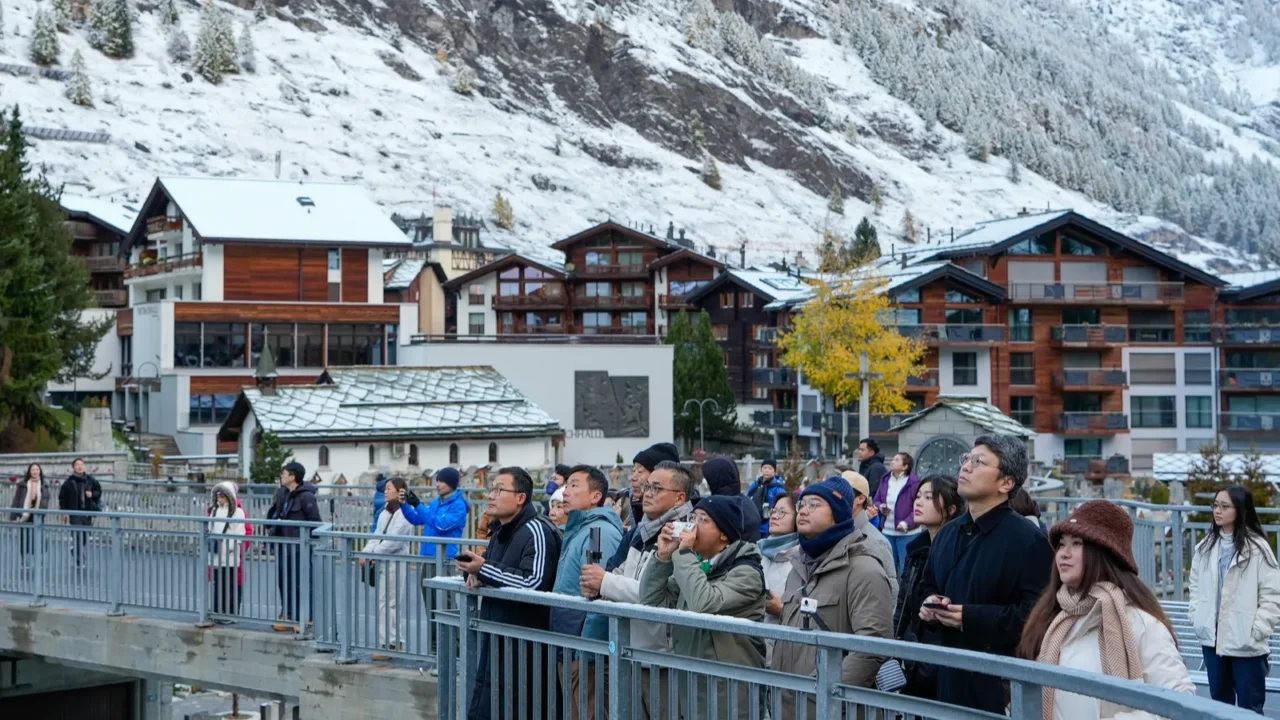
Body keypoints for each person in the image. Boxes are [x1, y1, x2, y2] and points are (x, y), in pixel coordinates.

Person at [1019, 500, 1194, 719]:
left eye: (1077, 544)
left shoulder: (1141, 623)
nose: (1064, 553)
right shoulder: (1051, 617)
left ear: (1104, 554)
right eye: (1062, 544)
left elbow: (1180, 702)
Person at [917, 434, 1053, 713]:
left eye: (978, 462)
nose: (965, 467)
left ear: (1007, 482)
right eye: (966, 459)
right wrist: (929, 606)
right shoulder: (948, 533)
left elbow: (1037, 616)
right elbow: (926, 585)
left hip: (999, 688)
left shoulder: (1029, 541)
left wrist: (971, 617)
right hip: (946, 680)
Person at [770, 476, 896, 716]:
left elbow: (872, 646)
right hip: (786, 704)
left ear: (838, 512)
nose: (804, 511)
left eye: (815, 504)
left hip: (830, 708)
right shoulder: (797, 566)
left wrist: (822, 694)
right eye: (802, 504)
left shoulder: (863, 568)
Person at [640, 494, 767, 716]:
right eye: (692, 517)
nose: (692, 526)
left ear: (724, 534)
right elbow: (652, 599)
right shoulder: (697, 566)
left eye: (702, 520)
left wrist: (684, 553)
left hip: (728, 692)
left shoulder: (746, 573)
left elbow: (704, 603)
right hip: (692, 684)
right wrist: (662, 557)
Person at [456, 466, 562, 720]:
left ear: (520, 498)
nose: (491, 496)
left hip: (525, 647)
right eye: (491, 489)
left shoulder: (536, 531)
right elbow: (496, 572)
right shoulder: (501, 531)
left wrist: (485, 570)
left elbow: (533, 582)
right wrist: (475, 573)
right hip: (499, 639)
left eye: (499, 489)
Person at [1189, 485, 1280, 713]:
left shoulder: (1258, 549)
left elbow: (1272, 595)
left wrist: (1256, 630)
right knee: (1220, 705)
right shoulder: (1205, 548)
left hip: (1246, 643)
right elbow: (1195, 587)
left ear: (1239, 510)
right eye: (1215, 505)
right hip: (1212, 639)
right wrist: (1197, 618)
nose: (1217, 511)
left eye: (1224, 506)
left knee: (1249, 708)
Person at [894, 474, 964, 699]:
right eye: (918, 496)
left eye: (929, 497)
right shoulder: (916, 550)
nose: (918, 502)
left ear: (952, 508)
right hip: (912, 654)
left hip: (941, 662)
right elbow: (903, 606)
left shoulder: (960, 550)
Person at [605, 443, 681, 572]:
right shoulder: (638, 522)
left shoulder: (678, 531)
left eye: (640, 471)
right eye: (633, 471)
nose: (633, 477)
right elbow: (615, 568)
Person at [362, 477, 414, 661]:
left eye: (389, 488)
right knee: (385, 602)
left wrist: (373, 553)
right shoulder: (385, 512)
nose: (385, 491)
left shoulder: (406, 513)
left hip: (395, 562)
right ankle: (392, 641)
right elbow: (377, 535)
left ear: (400, 491)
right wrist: (366, 552)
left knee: (389, 603)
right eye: (385, 488)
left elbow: (394, 541)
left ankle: (390, 643)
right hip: (384, 560)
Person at [267, 461, 321, 632]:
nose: (281, 477)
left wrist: (308, 542)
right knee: (285, 581)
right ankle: (288, 615)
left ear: (292, 477)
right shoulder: (283, 494)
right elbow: (275, 513)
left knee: (302, 582)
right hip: (284, 545)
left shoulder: (306, 496)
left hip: (300, 547)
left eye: (284, 474)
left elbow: (315, 522)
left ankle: (306, 617)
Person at [758, 491, 799, 666]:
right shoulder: (758, 550)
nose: (774, 516)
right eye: (773, 511)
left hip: (784, 654)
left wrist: (781, 610)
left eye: (782, 512)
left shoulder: (802, 559)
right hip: (755, 648)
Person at [400, 467, 469, 564]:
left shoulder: (459, 506)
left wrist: (418, 505)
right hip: (427, 557)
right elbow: (416, 519)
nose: (437, 485)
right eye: (437, 481)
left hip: (444, 560)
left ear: (451, 484)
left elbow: (442, 525)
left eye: (441, 481)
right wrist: (404, 505)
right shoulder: (436, 502)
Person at [869, 452, 922, 573]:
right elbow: (877, 500)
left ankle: (905, 592)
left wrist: (906, 523)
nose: (892, 462)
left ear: (905, 466)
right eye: (893, 459)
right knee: (888, 569)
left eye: (897, 460)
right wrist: (881, 507)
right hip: (887, 532)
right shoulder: (885, 479)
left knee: (906, 569)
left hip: (908, 533)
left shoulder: (914, 483)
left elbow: (918, 507)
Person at [207, 481, 248, 623]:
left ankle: (230, 613)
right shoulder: (214, 510)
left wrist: (232, 546)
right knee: (218, 582)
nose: (220, 499)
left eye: (223, 496)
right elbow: (210, 527)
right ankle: (218, 611)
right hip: (217, 552)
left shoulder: (238, 512)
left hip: (230, 553)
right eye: (218, 496)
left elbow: (240, 532)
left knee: (230, 584)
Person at [841, 470, 896, 573]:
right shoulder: (828, 530)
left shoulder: (878, 543)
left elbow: (889, 585)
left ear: (860, 499)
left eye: (842, 493)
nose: (835, 498)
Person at [703, 456, 763, 542]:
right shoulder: (744, 501)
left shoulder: (725, 507)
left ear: (716, 480)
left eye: (708, 480)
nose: (707, 484)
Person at [58, 457, 102, 568]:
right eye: (77, 465)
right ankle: (79, 560)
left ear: (84, 466)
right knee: (77, 535)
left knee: (85, 536)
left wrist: (92, 494)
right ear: (73, 468)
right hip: (75, 513)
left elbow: (99, 491)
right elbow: (62, 498)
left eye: (81, 464)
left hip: (87, 512)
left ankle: (75, 550)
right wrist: (64, 512)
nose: (79, 466)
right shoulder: (68, 482)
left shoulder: (91, 480)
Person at [10, 463, 51, 567]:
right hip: (25, 514)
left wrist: (43, 510)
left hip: (38, 514)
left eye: (37, 469)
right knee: (25, 538)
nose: (35, 472)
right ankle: (25, 559)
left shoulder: (44, 484)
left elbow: (46, 499)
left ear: (40, 471)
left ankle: (39, 560)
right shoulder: (22, 484)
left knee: (39, 539)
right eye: (32, 469)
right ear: (29, 471)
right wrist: (13, 516)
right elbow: (17, 499)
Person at [745, 458, 787, 538]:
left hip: (769, 527)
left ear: (774, 471)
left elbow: (782, 507)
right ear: (761, 469)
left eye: (770, 468)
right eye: (765, 468)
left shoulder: (778, 488)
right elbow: (747, 498)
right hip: (754, 526)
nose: (767, 470)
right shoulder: (755, 485)